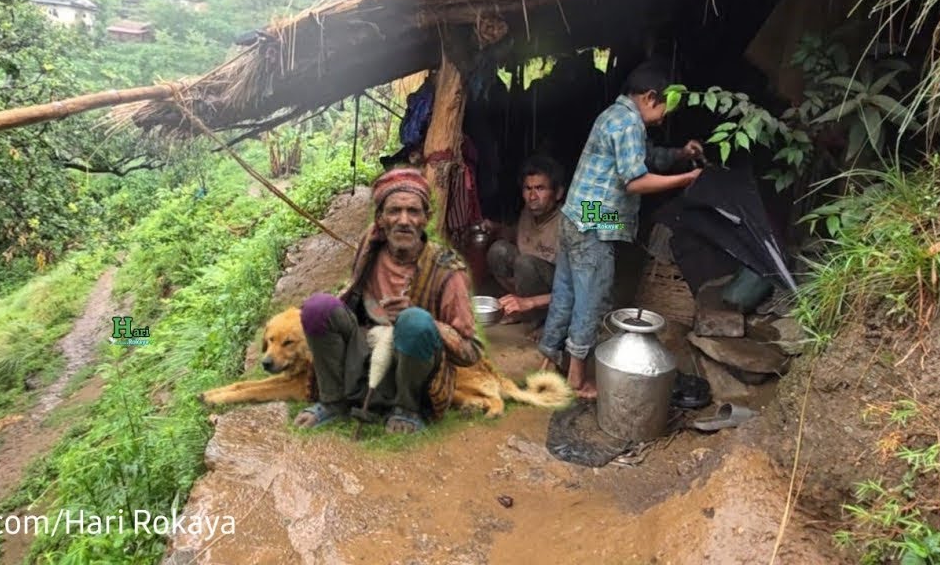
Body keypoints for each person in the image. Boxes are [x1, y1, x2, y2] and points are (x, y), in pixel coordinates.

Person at [538, 59, 704, 399]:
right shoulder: (629, 124)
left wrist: (681, 154)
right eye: (665, 108)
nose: (666, 116)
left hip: (578, 213)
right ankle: (576, 378)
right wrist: (687, 179)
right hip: (595, 221)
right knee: (594, 297)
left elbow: (648, 157)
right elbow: (636, 181)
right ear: (651, 97)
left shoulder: (616, 115)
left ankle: (547, 360)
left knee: (567, 292)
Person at [293, 168, 482, 434]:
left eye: (413, 212)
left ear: (426, 219)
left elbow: (470, 352)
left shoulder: (448, 269)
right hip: (366, 348)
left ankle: (407, 409)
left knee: (413, 321)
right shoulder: (370, 247)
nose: (404, 220)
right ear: (380, 219)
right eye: (394, 211)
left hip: (415, 362)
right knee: (317, 308)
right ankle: (333, 401)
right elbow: (351, 298)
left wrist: (420, 319)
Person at [483, 155, 566, 337]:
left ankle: (543, 318)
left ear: (558, 193)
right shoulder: (527, 213)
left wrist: (531, 302)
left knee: (525, 263)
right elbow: (519, 235)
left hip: (559, 291)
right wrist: (497, 228)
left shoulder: (569, 221)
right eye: (528, 189)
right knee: (499, 251)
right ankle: (523, 310)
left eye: (540, 188)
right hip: (529, 280)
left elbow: (576, 289)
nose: (532, 196)